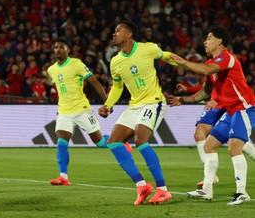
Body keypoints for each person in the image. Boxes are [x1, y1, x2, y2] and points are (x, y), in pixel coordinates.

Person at [167, 27, 255, 205]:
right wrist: (182, 100)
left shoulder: (226, 58)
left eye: (209, 38)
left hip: (244, 107)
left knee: (235, 147)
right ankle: (206, 190)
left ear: (219, 41)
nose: (205, 42)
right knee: (209, 145)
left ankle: (241, 193)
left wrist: (184, 63)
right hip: (230, 110)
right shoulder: (212, 66)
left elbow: (206, 71)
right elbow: (204, 93)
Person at [98, 20, 178, 205]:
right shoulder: (115, 61)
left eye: (118, 31)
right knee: (113, 142)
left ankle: (163, 190)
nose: (114, 34)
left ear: (129, 34)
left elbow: (167, 56)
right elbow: (117, 87)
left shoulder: (147, 48)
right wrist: (108, 104)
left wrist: (188, 65)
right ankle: (142, 185)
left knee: (140, 139)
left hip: (153, 102)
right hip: (134, 106)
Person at [46, 37, 119, 186]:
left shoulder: (76, 64)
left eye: (61, 47)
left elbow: (94, 82)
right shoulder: (51, 70)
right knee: (61, 142)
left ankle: (120, 142)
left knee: (100, 143)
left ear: (68, 50)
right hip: (64, 111)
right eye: (55, 47)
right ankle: (63, 176)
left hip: (82, 110)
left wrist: (107, 102)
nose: (57, 50)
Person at [168, 78, 255, 189]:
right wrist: (189, 89)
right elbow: (207, 87)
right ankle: (210, 176)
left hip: (233, 104)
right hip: (216, 104)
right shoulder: (209, 65)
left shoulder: (227, 64)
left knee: (235, 140)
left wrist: (218, 100)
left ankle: (240, 190)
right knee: (199, 133)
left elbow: (235, 87)